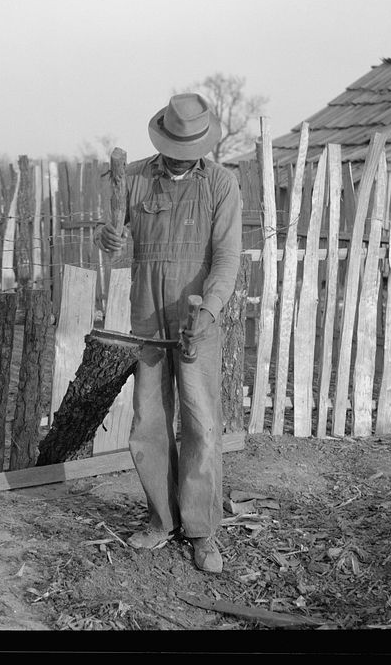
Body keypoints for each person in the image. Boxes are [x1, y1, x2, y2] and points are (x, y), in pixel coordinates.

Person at [94, 93, 242, 573]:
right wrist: (108, 237)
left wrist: (211, 309)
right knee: (149, 424)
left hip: (197, 319)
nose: (183, 155)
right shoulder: (135, 177)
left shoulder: (221, 184)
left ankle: (202, 531)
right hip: (148, 320)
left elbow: (226, 257)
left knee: (200, 425)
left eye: (192, 146)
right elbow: (115, 246)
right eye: (176, 146)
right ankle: (162, 520)